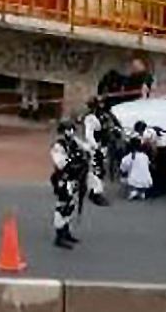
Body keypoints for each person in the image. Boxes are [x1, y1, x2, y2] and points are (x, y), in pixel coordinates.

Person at [50, 118, 88, 248]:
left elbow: (87, 148)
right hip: (63, 178)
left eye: (72, 129)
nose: (71, 132)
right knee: (62, 205)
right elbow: (60, 163)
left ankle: (66, 231)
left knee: (71, 204)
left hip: (74, 178)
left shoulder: (74, 142)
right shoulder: (59, 146)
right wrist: (74, 158)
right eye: (68, 129)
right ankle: (59, 236)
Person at [79, 98, 110, 206]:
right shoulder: (91, 118)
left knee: (98, 169)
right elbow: (89, 135)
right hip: (95, 148)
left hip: (100, 147)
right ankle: (95, 193)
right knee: (97, 170)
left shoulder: (100, 116)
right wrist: (96, 148)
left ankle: (91, 189)